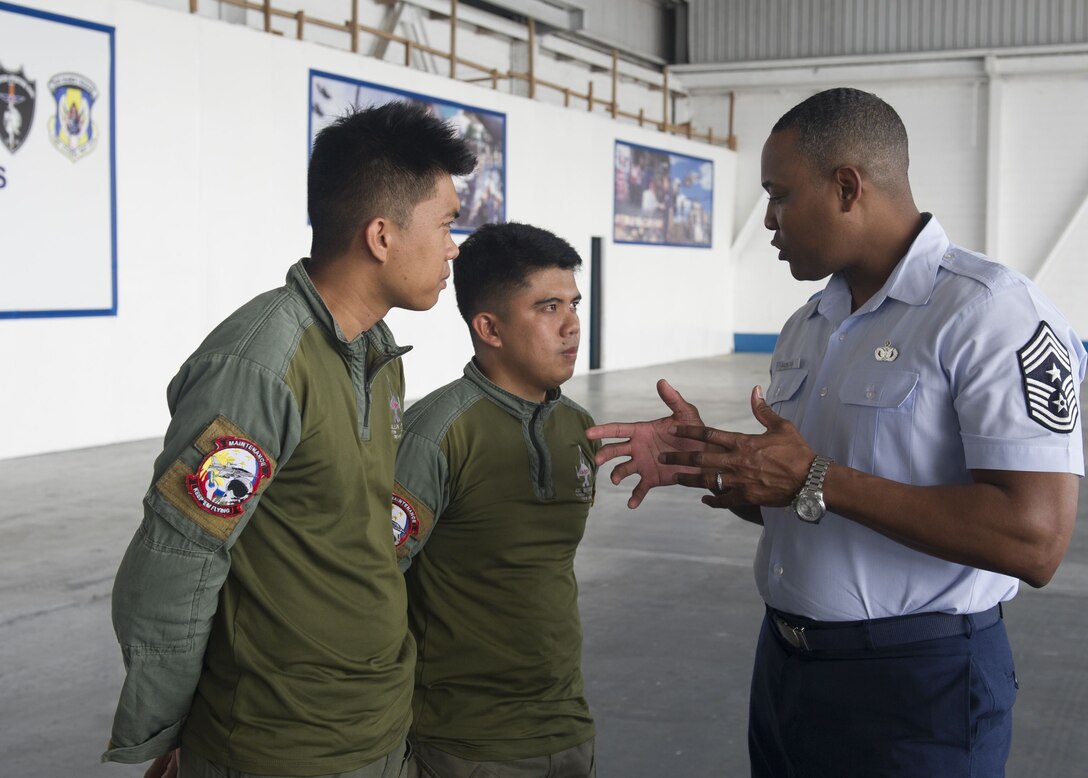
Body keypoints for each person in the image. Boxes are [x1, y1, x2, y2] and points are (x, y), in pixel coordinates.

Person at [587, 87, 1084, 777]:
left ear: (847, 186)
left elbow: (1035, 541)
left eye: (779, 195)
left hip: (917, 689)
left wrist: (813, 477)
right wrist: (719, 465)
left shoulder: (990, 313)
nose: (768, 220)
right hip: (790, 671)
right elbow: (805, 501)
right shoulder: (808, 326)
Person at [102, 101, 475, 778]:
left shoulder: (375, 354)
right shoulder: (260, 370)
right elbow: (173, 568)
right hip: (279, 747)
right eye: (447, 223)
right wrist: (173, 732)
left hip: (375, 730)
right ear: (381, 236)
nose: (456, 245)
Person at [390, 222, 598, 778]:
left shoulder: (579, 427)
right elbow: (371, 584)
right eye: (548, 307)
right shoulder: (435, 435)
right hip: (465, 741)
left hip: (567, 726)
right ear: (490, 328)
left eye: (574, 303)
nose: (573, 324)